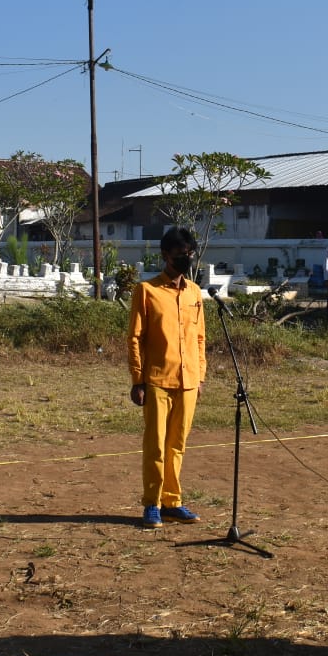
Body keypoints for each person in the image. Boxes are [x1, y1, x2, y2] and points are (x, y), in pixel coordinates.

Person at [127, 227, 207, 529]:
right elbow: (135, 338)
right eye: (179, 255)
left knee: (178, 445)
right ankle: (152, 503)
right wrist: (138, 380)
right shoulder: (147, 291)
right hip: (157, 380)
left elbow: (200, 338)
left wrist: (200, 376)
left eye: (189, 254)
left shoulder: (195, 292)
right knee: (156, 445)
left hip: (188, 382)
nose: (185, 259)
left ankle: (173, 501)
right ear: (165, 255)